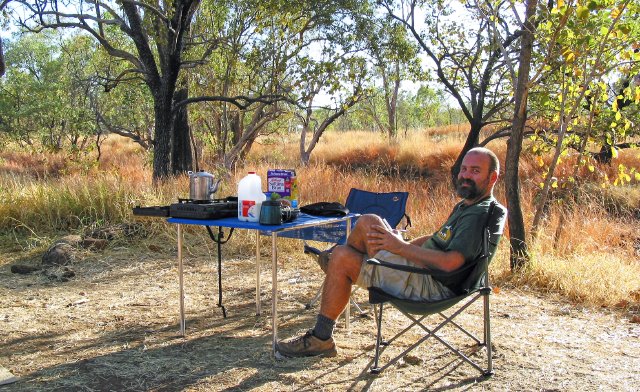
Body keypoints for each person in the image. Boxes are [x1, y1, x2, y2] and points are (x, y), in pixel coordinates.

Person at [276, 147, 501, 359]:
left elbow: (450, 263)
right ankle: (332, 261)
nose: (466, 175)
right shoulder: (468, 206)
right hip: (422, 272)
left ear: (493, 177)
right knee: (369, 222)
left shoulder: (477, 214)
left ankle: (321, 336)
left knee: (343, 256)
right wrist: (404, 241)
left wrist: (399, 247)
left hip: (431, 286)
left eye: (475, 171)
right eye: (464, 168)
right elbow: (436, 240)